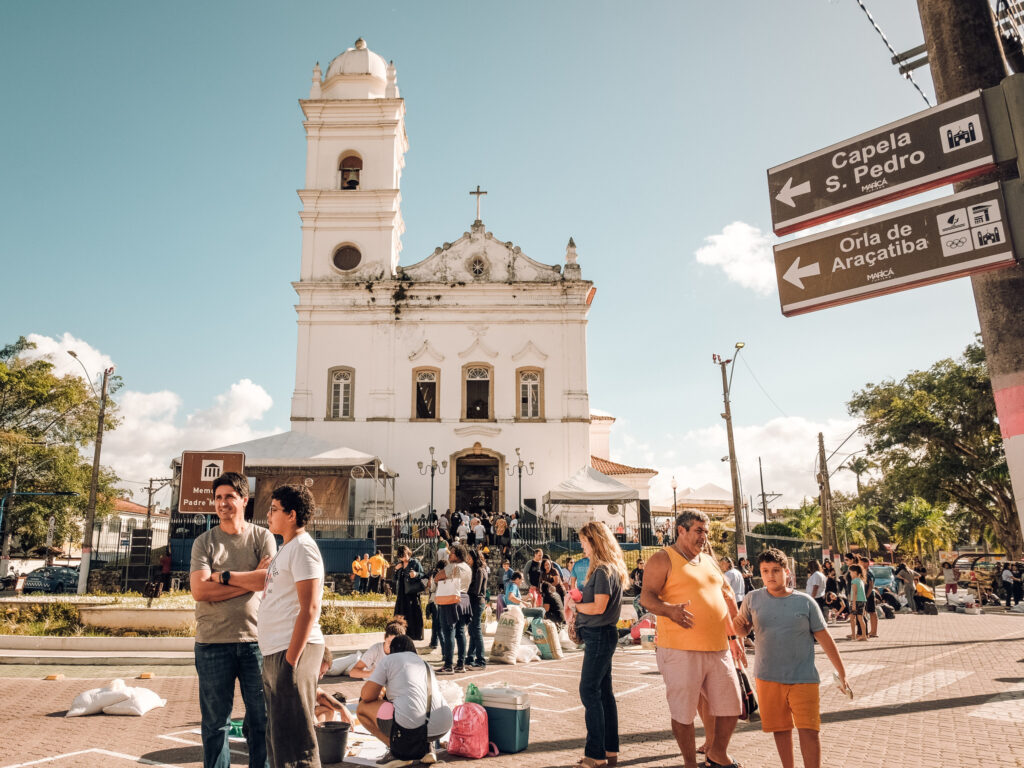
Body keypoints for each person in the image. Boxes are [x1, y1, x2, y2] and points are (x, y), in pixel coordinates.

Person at [640, 510, 745, 768]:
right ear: (681, 530)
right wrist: (669, 611)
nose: (703, 537)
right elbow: (647, 597)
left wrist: (733, 637)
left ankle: (717, 753)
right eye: (698, 530)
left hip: (718, 647)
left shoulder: (709, 561)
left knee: (732, 706)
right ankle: (690, 763)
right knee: (683, 712)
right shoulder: (663, 559)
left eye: (706, 532)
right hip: (679, 649)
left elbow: (724, 598)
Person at [232, 483, 325, 768]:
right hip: (277, 650)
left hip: (292, 651)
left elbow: (309, 608)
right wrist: (226, 577)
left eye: (274, 510)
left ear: (292, 514)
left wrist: (290, 661)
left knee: (296, 743)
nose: (268, 516)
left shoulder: (304, 549)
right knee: (279, 739)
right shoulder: (288, 548)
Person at [189, 472, 277, 768]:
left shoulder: (262, 537)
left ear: (244, 499)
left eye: (229, 496)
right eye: (217, 497)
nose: (222, 503)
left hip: (256, 642)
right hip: (212, 643)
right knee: (215, 725)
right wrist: (249, 581)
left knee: (261, 721)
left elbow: (268, 581)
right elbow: (200, 590)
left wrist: (224, 579)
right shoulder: (204, 543)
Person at [734, 548, 849, 768]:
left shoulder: (805, 602)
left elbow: (825, 639)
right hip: (768, 677)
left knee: (809, 730)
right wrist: (738, 627)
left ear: (787, 572)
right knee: (780, 729)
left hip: (803, 677)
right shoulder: (752, 598)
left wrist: (842, 673)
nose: (770, 575)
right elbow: (742, 629)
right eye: (765, 570)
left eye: (776, 570)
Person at [570, 521, 628, 768]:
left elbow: (598, 607)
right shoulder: (610, 568)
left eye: (584, 541)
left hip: (599, 635)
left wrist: (576, 606)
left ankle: (595, 755)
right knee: (604, 693)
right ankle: (609, 750)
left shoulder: (603, 570)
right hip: (603, 634)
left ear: (594, 541)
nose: (582, 546)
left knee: (589, 691)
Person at [356, 634, 453, 768]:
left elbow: (366, 696)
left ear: (392, 650)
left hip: (411, 725)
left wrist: (381, 692)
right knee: (416, 707)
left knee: (362, 708)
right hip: (442, 725)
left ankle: (398, 752)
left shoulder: (389, 660)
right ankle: (426, 749)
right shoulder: (425, 664)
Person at [436, 543, 472, 675]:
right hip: (464, 598)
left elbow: (437, 577)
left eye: (451, 553)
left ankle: (448, 665)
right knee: (461, 632)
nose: (449, 555)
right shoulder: (468, 567)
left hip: (451, 599)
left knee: (448, 631)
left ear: (457, 555)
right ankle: (461, 664)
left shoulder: (452, 566)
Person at [392, 546, 425, 641]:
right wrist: (395, 569)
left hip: (412, 594)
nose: (404, 558)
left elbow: (423, 575)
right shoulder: (399, 564)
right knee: (401, 614)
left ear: (408, 553)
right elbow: (394, 579)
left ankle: (414, 635)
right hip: (401, 594)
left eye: (405, 555)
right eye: (401, 557)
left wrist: (416, 574)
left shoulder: (415, 562)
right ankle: (401, 634)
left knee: (412, 614)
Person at [465, 548, 489, 668]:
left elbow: (476, 590)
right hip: (474, 602)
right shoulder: (476, 569)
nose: (468, 560)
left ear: (475, 558)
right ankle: (470, 657)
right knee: (472, 630)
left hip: (477, 602)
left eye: (469, 558)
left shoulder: (479, 570)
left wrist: (464, 591)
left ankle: (481, 660)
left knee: (476, 629)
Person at [857, 556, 878, 638]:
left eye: (862, 562)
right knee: (867, 612)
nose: (860, 564)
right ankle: (869, 631)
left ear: (867, 563)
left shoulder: (869, 573)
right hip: (865, 595)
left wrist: (866, 596)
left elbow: (871, 585)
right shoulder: (863, 572)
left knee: (872, 612)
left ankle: (874, 631)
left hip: (869, 595)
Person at [847, 565, 868, 642]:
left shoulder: (854, 581)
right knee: (860, 618)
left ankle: (853, 636)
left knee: (852, 619)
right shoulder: (861, 580)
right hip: (862, 601)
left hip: (855, 601)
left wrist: (853, 604)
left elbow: (855, 593)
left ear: (855, 572)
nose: (850, 574)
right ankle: (864, 636)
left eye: (850, 572)